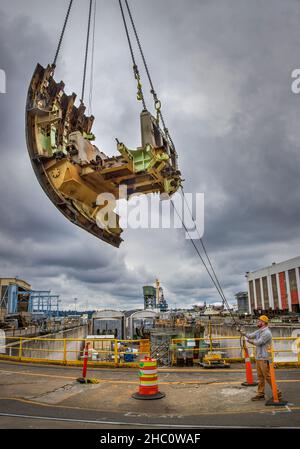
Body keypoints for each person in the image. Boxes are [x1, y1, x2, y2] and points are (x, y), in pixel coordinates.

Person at [241, 315, 282, 401]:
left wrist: (248, 341)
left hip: (265, 358)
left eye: (259, 321)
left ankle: (277, 392)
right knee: (260, 377)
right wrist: (243, 333)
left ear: (263, 323)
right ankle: (260, 394)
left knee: (267, 376)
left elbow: (258, 342)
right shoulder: (259, 331)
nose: (258, 322)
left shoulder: (267, 333)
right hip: (259, 357)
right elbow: (250, 335)